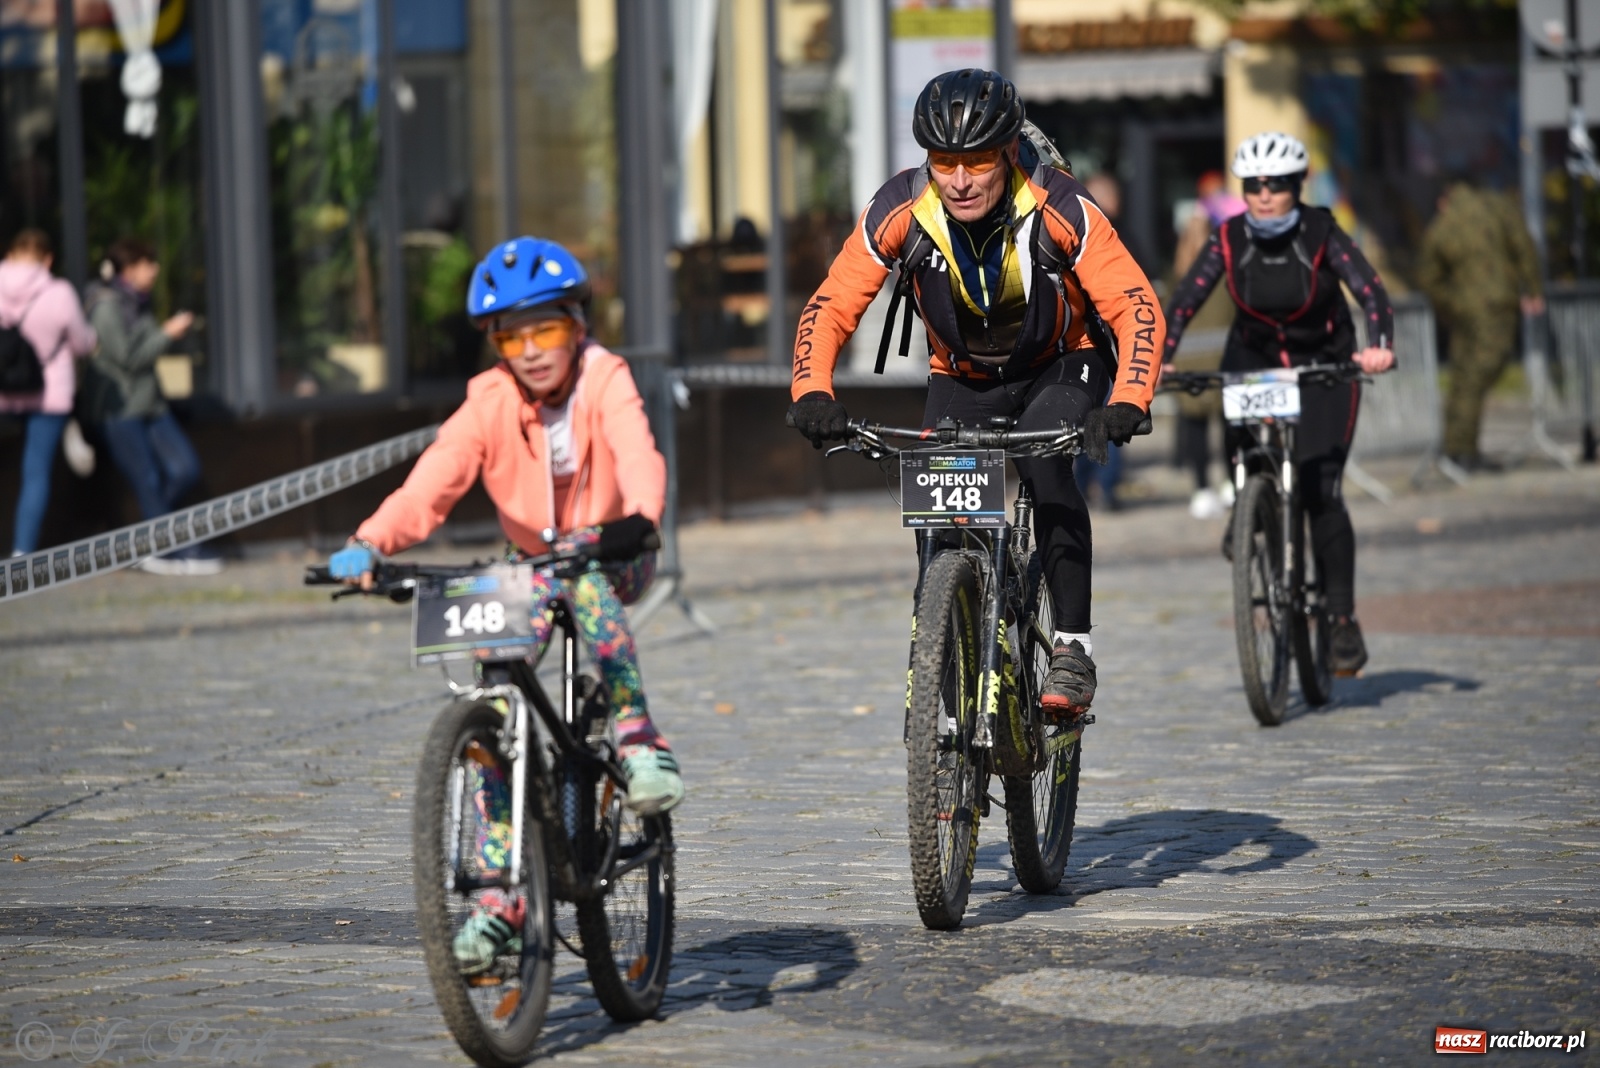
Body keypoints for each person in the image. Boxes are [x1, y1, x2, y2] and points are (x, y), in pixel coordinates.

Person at [324, 236, 679, 973]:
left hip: (616, 550)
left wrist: (641, 516)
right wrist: (372, 541)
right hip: (533, 564)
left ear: (576, 325)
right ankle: (500, 902)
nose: (529, 350)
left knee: (584, 587)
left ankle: (640, 741)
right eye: (510, 336)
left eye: (544, 329)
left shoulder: (605, 377)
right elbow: (436, 480)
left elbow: (639, 453)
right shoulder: (489, 399)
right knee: (494, 690)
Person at [786, 68, 1164, 718]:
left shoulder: (1062, 209)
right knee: (941, 519)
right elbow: (832, 303)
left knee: (1046, 467)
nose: (960, 179)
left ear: (1009, 150)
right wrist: (811, 389)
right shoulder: (900, 211)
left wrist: (1128, 397)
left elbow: (1135, 306)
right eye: (944, 161)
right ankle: (947, 674)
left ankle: (1072, 647)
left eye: (978, 161)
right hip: (962, 376)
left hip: (1061, 364)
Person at [1160, 132, 1395, 676]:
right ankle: (1249, 506)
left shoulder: (1320, 231)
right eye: (1255, 186)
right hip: (1255, 357)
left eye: (1277, 186)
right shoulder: (1229, 236)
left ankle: (1341, 621)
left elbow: (1370, 290)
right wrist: (1163, 358)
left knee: (1321, 489)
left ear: (1296, 187)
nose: (1264, 196)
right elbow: (1186, 298)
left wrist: (1378, 346)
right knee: (1236, 421)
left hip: (1323, 366)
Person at [84, 237, 220, 574]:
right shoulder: (106, 306)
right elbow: (128, 358)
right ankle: (165, 551)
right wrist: (167, 334)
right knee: (147, 479)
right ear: (130, 269)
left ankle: (154, 536)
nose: (155, 269)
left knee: (185, 468)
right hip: (120, 411)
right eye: (149, 263)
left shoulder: (137, 301)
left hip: (151, 407)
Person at [1415, 181, 1545, 471]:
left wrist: (1452, 304)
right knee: (1477, 376)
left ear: (1442, 200)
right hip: (1499, 303)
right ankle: (1460, 452)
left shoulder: (1441, 225)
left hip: (1465, 310)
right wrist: (1533, 289)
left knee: (1463, 377)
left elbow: (1428, 277)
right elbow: (1522, 244)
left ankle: (1457, 448)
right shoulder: (1496, 207)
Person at [0, 229, 97, 556]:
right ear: (48, 259)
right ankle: (21, 552)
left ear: (10, 255)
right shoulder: (59, 292)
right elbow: (82, 343)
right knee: (36, 473)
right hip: (49, 393)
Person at [1170, 171, 1247, 520]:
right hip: (1222, 358)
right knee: (1230, 425)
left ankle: (1201, 489)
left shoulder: (1179, 274)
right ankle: (1231, 483)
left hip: (1189, 362)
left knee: (1196, 429)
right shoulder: (1223, 270)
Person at [1073, 172, 1126, 511]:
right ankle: (1082, 486)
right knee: (1079, 422)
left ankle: (1105, 488)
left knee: (1110, 419)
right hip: (1078, 347)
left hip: (1111, 346)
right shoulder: (1074, 231)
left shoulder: (1119, 236)